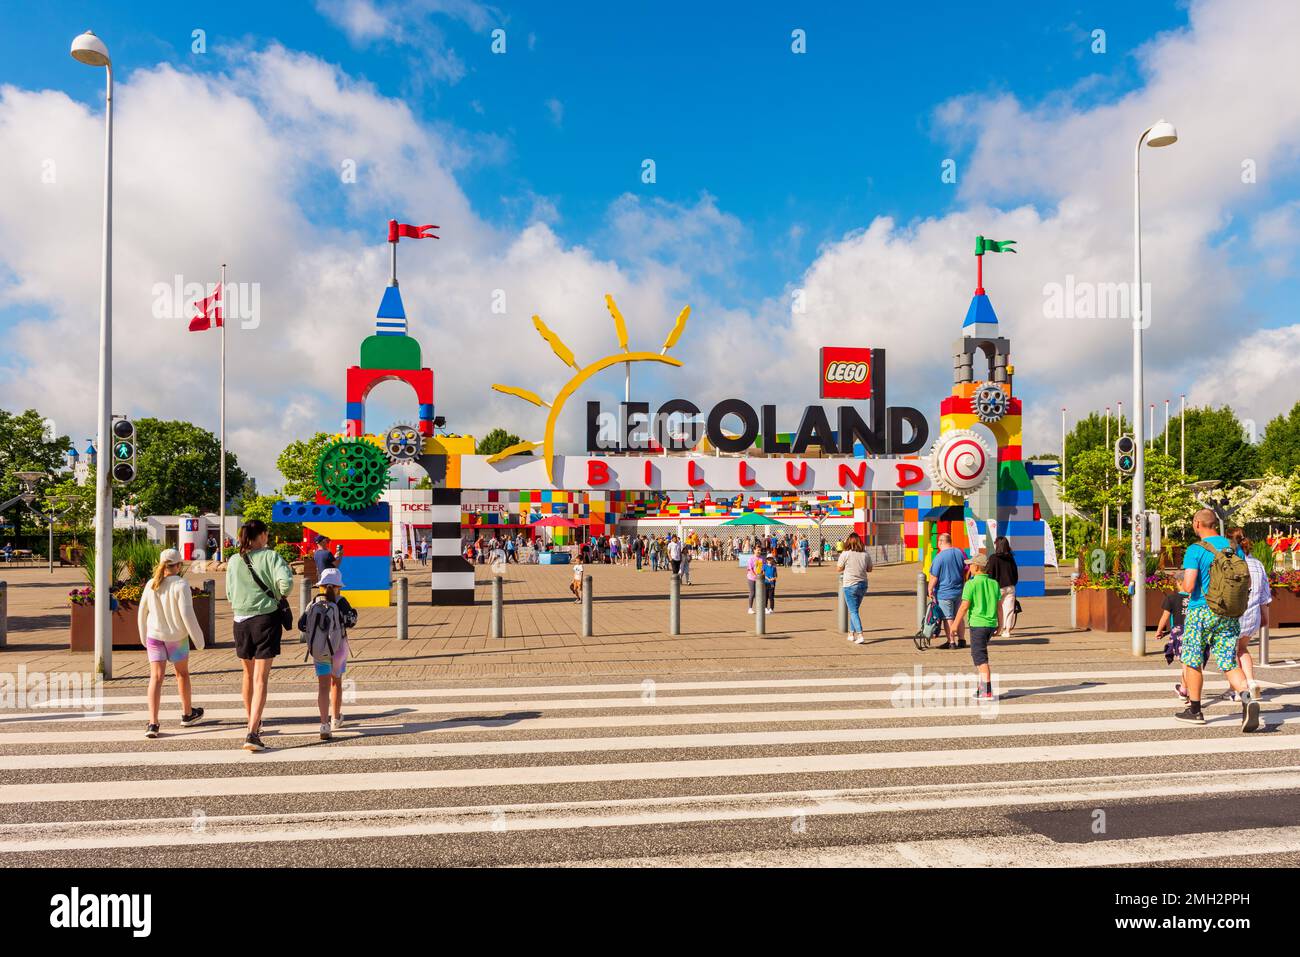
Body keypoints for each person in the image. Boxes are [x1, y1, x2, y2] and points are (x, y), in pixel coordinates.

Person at [1175, 508, 1258, 730]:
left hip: (1201, 611)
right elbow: (1245, 581)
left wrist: (1181, 586)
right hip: (1229, 613)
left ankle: (1195, 710)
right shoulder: (1234, 548)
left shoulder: (1194, 550)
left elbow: (1189, 586)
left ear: (1197, 524)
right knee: (1228, 661)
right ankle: (1246, 698)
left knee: (1192, 659)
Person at [226, 519, 293, 752]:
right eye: (266, 534)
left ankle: (252, 721)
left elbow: (228, 592)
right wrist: (277, 594)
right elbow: (286, 584)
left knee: (247, 674)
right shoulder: (271, 556)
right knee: (261, 679)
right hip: (265, 618)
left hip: (240, 619)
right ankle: (252, 733)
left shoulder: (234, 560)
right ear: (262, 535)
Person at [137, 548, 206, 738]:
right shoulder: (181, 585)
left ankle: (153, 723)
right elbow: (187, 614)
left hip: (154, 636)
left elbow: (142, 612)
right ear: (178, 566)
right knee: (181, 674)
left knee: (156, 677)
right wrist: (199, 640)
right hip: (176, 637)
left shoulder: (151, 584)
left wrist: (143, 637)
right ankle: (187, 713)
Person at [299, 567, 357, 740]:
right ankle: (336, 718)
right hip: (338, 649)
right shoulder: (341, 602)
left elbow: (301, 625)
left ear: (321, 586)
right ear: (339, 586)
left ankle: (324, 724)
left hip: (319, 649)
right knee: (336, 682)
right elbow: (351, 621)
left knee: (323, 686)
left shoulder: (313, 603)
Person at [950, 553, 1001, 700]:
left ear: (977, 567)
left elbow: (964, 606)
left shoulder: (971, 584)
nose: (969, 566)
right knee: (978, 654)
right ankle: (981, 687)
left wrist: (954, 624)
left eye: (971, 564)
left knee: (980, 659)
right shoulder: (994, 583)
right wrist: (1001, 624)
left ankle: (987, 691)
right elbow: (999, 607)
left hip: (978, 625)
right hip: (991, 624)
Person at [1231, 529, 1270, 702]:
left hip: (1234, 614)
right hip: (1252, 614)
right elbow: (1264, 594)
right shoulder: (1257, 563)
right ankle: (1251, 681)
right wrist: (1265, 616)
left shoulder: (1231, 562)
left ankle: (1239, 689)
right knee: (1242, 649)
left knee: (1230, 653)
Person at [928, 533, 969, 649]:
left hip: (944, 593)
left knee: (948, 617)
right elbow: (967, 569)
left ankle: (951, 641)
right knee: (959, 616)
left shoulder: (939, 557)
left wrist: (930, 589)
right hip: (960, 590)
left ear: (940, 542)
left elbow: (934, 577)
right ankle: (962, 640)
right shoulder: (960, 552)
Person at [837, 532, 873, 645]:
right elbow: (870, 569)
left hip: (850, 585)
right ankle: (851, 634)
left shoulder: (845, 554)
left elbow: (838, 568)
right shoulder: (865, 554)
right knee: (855, 610)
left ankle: (860, 634)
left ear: (848, 542)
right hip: (863, 584)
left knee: (853, 611)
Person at [986, 537, 1019, 638]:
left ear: (997, 545)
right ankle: (1007, 630)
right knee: (1009, 609)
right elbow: (1015, 574)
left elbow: (989, 574)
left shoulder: (993, 558)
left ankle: (997, 629)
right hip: (1010, 587)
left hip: (997, 587)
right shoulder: (1011, 558)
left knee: (996, 609)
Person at [746, 548, 763, 614]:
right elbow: (750, 569)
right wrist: (755, 575)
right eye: (757, 550)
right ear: (754, 550)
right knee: (752, 592)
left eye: (760, 550)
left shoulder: (762, 559)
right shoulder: (751, 559)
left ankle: (759, 608)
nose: (759, 551)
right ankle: (750, 608)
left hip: (760, 578)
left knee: (759, 593)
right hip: (752, 578)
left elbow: (763, 568)